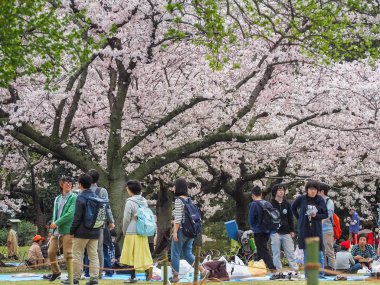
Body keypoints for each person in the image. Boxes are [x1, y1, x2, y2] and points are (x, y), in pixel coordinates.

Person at [170, 177, 208, 283]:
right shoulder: (189, 200)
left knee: (175, 253)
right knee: (187, 253)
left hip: (181, 230)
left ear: (177, 187)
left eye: (174, 186)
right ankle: (203, 270)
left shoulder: (178, 200)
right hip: (191, 231)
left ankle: (175, 276)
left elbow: (178, 218)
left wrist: (175, 232)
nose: (172, 188)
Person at [68, 173, 101, 285]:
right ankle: (94, 278)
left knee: (77, 254)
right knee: (93, 255)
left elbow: (77, 218)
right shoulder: (96, 197)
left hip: (81, 232)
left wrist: (71, 231)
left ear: (80, 184)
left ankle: (75, 278)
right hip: (95, 231)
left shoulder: (80, 197)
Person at [291, 180, 328, 277]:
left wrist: (316, 216)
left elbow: (325, 214)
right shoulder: (301, 199)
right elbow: (293, 208)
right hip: (305, 228)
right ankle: (308, 274)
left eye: (315, 189)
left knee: (319, 253)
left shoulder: (320, 199)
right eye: (311, 189)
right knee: (307, 253)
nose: (313, 191)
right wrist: (300, 218)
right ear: (307, 190)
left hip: (316, 229)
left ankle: (320, 274)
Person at [120, 180, 153, 283]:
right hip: (142, 231)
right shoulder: (144, 201)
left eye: (127, 188)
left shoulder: (130, 202)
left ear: (131, 190)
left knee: (131, 255)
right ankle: (148, 267)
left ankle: (132, 277)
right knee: (142, 253)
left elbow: (126, 218)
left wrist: (124, 230)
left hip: (131, 231)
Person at [87, 169, 115, 279]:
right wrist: (111, 221)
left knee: (86, 249)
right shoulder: (102, 191)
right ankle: (99, 273)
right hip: (99, 224)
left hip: (86, 224)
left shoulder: (83, 190)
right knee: (99, 249)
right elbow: (107, 207)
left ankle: (87, 271)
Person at [48, 175, 77, 282]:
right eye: (66, 182)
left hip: (68, 230)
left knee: (67, 254)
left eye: (70, 182)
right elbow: (54, 214)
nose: (68, 184)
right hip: (56, 230)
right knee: (51, 252)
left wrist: (57, 223)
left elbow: (71, 214)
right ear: (61, 184)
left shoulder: (74, 197)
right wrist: (51, 229)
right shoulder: (57, 198)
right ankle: (56, 272)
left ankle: (72, 276)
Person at [248, 186, 278, 277]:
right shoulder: (268, 203)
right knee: (260, 250)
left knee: (263, 250)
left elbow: (251, 219)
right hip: (267, 231)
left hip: (258, 231)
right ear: (261, 194)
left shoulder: (253, 204)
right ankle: (259, 268)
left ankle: (273, 268)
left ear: (253, 195)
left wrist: (253, 227)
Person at [269, 184, 298, 272]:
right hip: (275, 232)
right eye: (279, 190)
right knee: (276, 253)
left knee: (290, 252)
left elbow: (290, 218)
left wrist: (292, 230)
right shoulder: (270, 204)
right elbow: (268, 218)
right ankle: (278, 271)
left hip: (286, 232)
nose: (282, 192)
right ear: (275, 192)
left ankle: (295, 270)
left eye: (283, 190)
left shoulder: (287, 204)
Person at [319, 182, 336, 270]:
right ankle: (323, 269)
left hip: (327, 230)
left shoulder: (329, 201)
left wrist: (320, 223)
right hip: (318, 230)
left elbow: (328, 214)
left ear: (322, 191)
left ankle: (333, 269)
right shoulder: (318, 201)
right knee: (320, 251)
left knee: (329, 250)